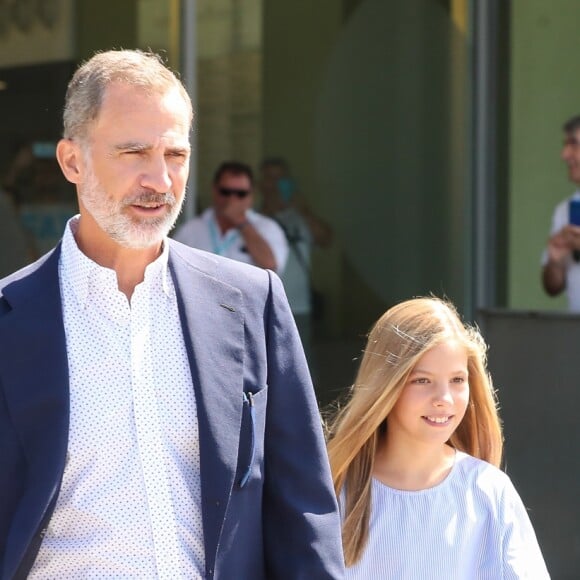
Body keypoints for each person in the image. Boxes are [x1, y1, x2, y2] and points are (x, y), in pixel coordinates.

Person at [0, 49, 344, 579]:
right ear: (72, 161)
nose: (159, 180)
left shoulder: (252, 303)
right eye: (134, 152)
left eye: (175, 155)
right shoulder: (9, 321)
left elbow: (303, 513)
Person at [326, 297, 550, 578]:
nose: (444, 399)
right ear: (385, 386)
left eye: (457, 380)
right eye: (422, 380)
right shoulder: (335, 493)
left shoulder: (488, 492)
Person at [259, 157, 333, 355]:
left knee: (302, 363)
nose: (275, 185)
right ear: (261, 183)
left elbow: (326, 239)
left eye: (281, 179)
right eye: (270, 178)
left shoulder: (301, 217)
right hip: (261, 307)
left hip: (299, 307)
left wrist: (304, 210)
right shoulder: (253, 219)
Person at [173, 161, 288, 274]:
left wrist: (241, 221)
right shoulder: (192, 229)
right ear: (214, 190)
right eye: (225, 192)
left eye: (241, 193)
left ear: (251, 195)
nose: (232, 199)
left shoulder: (268, 227)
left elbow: (271, 266)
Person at [542, 115, 580, 310]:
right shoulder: (565, 210)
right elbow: (553, 287)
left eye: (573, 144)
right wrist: (555, 261)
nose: (564, 154)